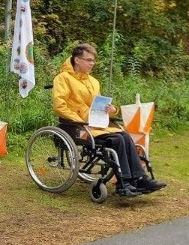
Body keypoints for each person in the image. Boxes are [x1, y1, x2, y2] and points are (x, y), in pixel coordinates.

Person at [52, 43, 166, 197]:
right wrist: (81, 121)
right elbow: (60, 106)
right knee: (117, 139)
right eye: (89, 60)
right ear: (77, 60)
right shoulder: (62, 78)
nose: (92, 63)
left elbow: (97, 106)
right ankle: (124, 183)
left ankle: (140, 178)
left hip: (95, 123)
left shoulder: (94, 81)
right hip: (75, 125)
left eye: (93, 60)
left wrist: (112, 110)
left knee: (124, 135)